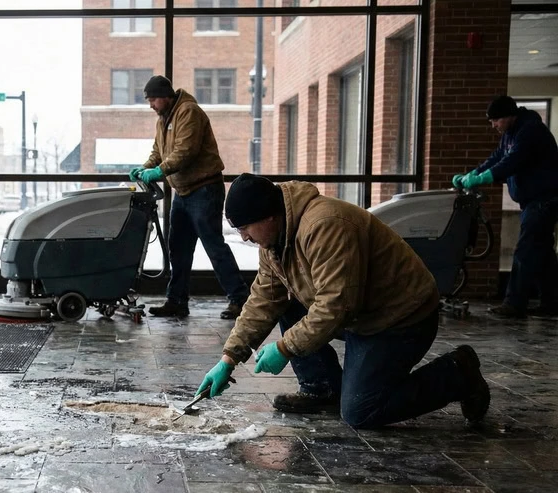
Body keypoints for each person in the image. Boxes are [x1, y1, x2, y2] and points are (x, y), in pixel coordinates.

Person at [195, 173, 491, 429]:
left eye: (245, 228)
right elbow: (264, 299)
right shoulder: (274, 241)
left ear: (268, 216)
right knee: (283, 300)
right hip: (361, 312)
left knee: (361, 411)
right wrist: (228, 359)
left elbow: (336, 305)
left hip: (400, 318)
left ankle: (457, 373)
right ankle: (322, 388)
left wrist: (286, 347)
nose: (244, 237)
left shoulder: (325, 225)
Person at [128, 75, 248, 320]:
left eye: (152, 100)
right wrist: (144, 168)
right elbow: (158, 152)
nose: (150, 105)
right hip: (182, 192)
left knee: (214, 246)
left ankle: (240, 300)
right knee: (178, 249)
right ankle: (177, 301)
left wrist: (159, 171)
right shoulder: (163, 119)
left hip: (204, 189)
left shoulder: (188, 112)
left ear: (165, 96)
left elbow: (186, 151)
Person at [452, 95, 558, 319]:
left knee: (526, 249)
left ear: (509, 116)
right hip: (532, 200)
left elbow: (512, 162)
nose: (493, 126)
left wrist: (482, 178)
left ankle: (514, 303)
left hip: (545, 199)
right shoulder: (511, 133)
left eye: (495, 121)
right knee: (542, 252)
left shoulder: (531, 131)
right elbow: (497, 157)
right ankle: (552, 302)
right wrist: (474, 173)